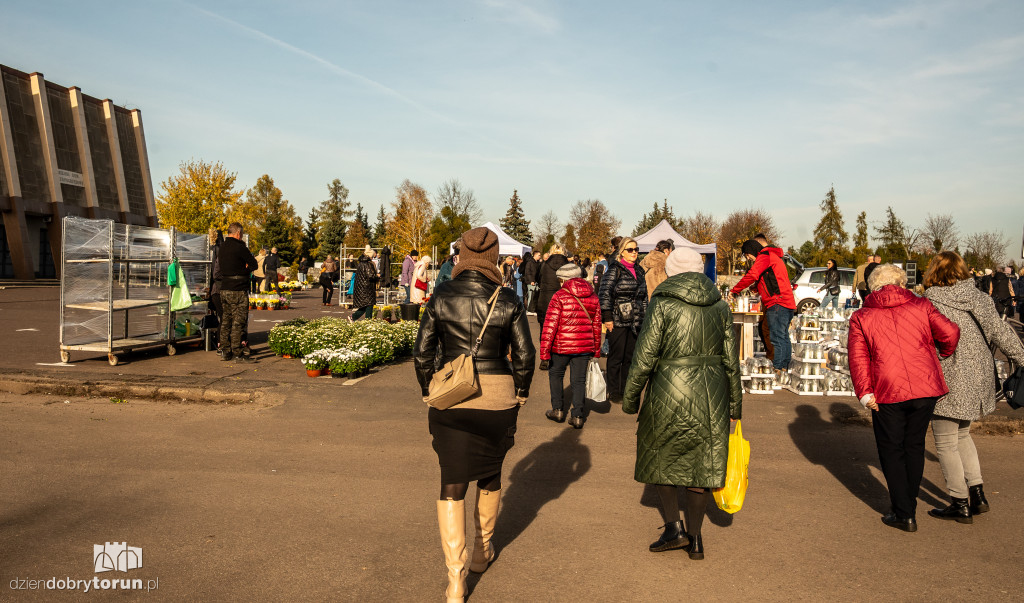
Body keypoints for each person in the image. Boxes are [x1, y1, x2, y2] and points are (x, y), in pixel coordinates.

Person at [413, 227, 535, 603]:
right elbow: (525, 355)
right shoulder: (508, 297)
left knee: (452, 482)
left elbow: (422, 353)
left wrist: (428, 390)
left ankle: (455, 580)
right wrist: (521, 393)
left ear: (462, 256)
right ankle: (482, 552)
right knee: (490, 474)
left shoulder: (442, 294)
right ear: (494, 257)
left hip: (451, 400)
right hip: (497, 399)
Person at [623, 248, 741, 559]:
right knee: (701, 463)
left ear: (671, 271)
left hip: (669, 387)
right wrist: (735, 405)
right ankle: (696, 538)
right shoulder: (720, 305)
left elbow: (645, 353)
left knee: (662, 457)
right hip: (711, 390)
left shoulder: (662, 302)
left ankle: (674, 528)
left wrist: (631, 396)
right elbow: (731, 360)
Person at [848, 264, 960, 532]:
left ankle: (904, 512)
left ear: (873, 286)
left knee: (891, 449)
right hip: (924, 384)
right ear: (901, 283)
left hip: (886, 387)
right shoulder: (922, 305)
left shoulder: (862, 315)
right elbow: (951, 332)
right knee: (914, 445)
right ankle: (908, 503)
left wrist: (864, 392)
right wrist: (941, 353)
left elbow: (858, 357)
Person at [922, 252, 1024, 523]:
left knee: (945, 441)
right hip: (979, 374)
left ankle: (959, 502)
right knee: (963, 435)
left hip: (948, 373)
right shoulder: (980, 298)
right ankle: (978, 495)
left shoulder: (931, 300)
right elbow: (1001, 332)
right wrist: (1022, 358)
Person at [539, 263, 601, 429]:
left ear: (564, 279)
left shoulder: (559, 296)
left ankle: (557, 409)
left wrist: (544, 352)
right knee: (579, 380)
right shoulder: (593, 296)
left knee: (556, 374)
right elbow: (596, 326)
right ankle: (578, 415)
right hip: (584, 347)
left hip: (561, 346)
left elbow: (550, 325)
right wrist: (596, 350)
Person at [730, 239, 796, 374]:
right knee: (783, 337)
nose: (749, 258)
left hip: (777, 303)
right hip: (786, 302)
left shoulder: (765, 256)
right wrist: (756, 287)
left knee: (776, 337)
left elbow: (753, 274)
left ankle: (778, 368)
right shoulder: (773, 256)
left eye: (747, 255)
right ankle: (784, 367)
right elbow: (769, 277)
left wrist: (735, 290)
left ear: (752, 250)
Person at [598, 237, 648, 403]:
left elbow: (644, 297)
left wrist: (645, 316)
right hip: (618, 319)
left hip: (635, 320)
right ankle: (614, 391)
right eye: (630, 249)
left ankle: (625, 389)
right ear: (622, 252)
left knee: (630, 358)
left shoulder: (639, 271)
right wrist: (607, 317)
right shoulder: (614, 270)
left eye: (636, 249)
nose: (634, 253)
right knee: (616, 357)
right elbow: (605, 293)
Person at [218, 222, 258, 363]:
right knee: (238, 322)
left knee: (226, 320)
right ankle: (238, 353)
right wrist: (245, 270)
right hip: (238, 288)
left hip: (224, 288)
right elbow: (254, 264)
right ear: (238, 233)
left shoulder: (222, 247)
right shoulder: (240, 247)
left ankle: (225, 351)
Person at [536, 244, 569, 324]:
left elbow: (538, 279)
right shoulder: (569, 266)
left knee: (545, 327)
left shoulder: (544, 265)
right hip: (564, 300)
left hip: (546, 299)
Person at [350, 250, 380, 320]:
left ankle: (353, 317)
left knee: (365, 305)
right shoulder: (368, 264)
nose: (372, 258)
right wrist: (377, 276)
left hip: (361, 286)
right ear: (369, 256)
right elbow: (370, 276)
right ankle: (367, 320)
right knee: (369, 304)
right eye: (372, 257)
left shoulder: (361, 263)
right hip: (367, 287)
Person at [522, 250, 540, 315]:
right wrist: (531, 280)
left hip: (536, 281)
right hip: (531, 282)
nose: (539, 256)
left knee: (535, 296)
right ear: (535, 255)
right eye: (539, 255)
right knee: (531, 295)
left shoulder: (537, 262)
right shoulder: (530, 262)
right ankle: (529, 310)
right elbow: (528, 272)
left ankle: (533, 310)